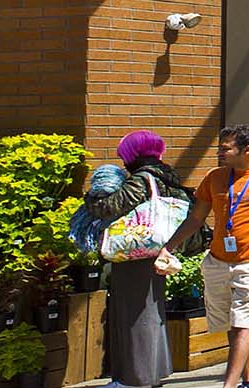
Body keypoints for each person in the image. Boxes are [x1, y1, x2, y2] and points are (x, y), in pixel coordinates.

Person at [163, 125, 249, 388]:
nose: (220, 152)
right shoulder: (214, 177)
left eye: (226, 148)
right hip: (218, 261)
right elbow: (196, 218)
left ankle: (228, 385)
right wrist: (168, 247)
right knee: (232, 322)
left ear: (247, 150)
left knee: (244, 324)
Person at [84, 131, 198, 388]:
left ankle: (136, 379)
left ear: (133, 154)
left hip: (135, 255)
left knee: (134, 315)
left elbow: (107, 207)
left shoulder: (141, 179)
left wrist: (92, 195)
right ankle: (150, 373)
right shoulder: (167, 176)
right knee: (150, 312)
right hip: (158, 253)